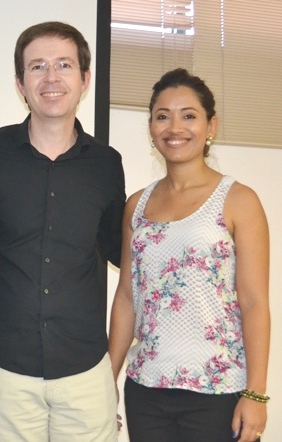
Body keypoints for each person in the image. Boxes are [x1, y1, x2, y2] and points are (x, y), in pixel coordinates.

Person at [0, 21, 125, 441]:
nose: (52, 77)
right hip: (2, 369)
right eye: (37, 67)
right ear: (21, 84)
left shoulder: (106, 164)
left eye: (64, 64)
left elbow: (121, 252)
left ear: (85, 79)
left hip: (85, 370)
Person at [108, 68, 270, 442]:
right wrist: (109, 380)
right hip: (146, 388)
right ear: (151, 127)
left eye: (189, 116)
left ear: (211, 126)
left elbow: (254, 302)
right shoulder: (137, 205)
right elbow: (127, 298)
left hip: (218, 391)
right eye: (162, 116)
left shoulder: (239, 200)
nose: (174, 127)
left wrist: (256, 394)